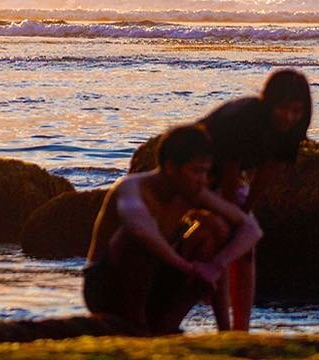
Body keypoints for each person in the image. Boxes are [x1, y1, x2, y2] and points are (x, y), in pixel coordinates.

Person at [84, 124, 260, 334]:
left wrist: (216, 265)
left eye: (205, 171)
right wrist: (187, 267)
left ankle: (174, 325)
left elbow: (251, 229)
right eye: (196, 171)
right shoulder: (131, 187)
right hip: (106, 287)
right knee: (131, 240)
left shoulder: (195, 193)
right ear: (170, 168)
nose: (203, 180)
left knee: (215, 229)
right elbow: (140, 229)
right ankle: (135, 325)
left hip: (157, 280)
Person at [199, 68, 312, 331]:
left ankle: (242, 328)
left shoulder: (292, 128)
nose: (289, 117)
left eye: (296, 110)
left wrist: (246, 211)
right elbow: (229, 169)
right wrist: (231, 216)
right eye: (283, 108)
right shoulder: (246, 119)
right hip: (201, 174)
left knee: (246, 248)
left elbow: (267, 171)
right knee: (222, 236)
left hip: (232, 178)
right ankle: (224, 327)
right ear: (269, 102)